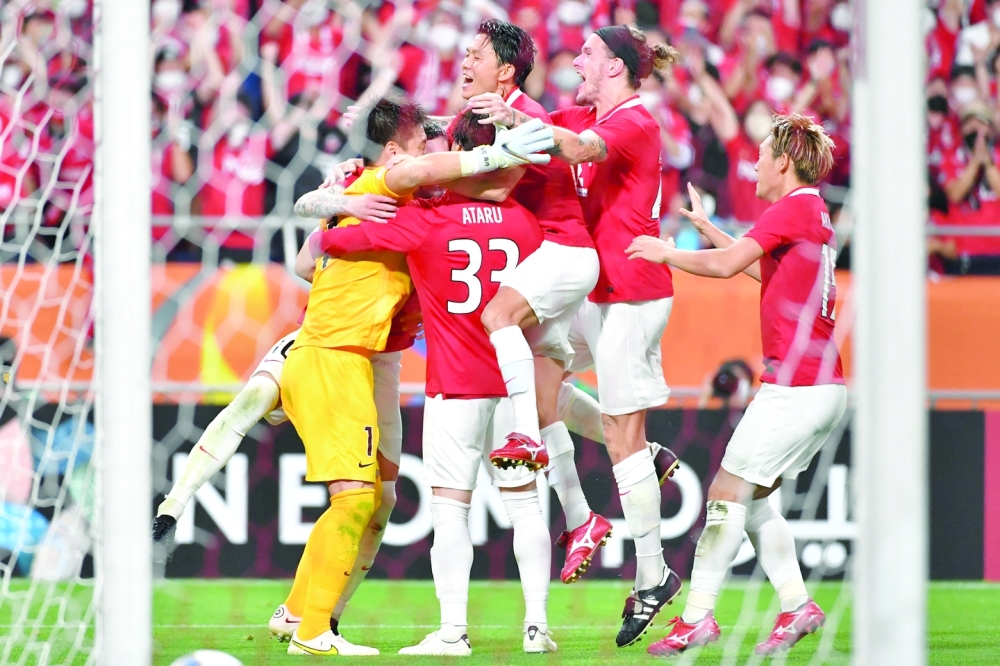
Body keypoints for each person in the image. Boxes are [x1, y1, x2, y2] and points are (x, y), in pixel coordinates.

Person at [277, 98, 553, 657]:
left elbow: (317, 252)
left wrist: (334, 209)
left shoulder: (424, 220)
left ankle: (452, 632)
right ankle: (537, 629)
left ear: (455, 152)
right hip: (512, 382)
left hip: (453, 385)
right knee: (527, 506)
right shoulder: (528, 224)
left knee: (449, 510)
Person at [469, 23, 684, 648]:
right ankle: (604, 504)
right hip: (597, 292)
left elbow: (576, 147)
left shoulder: (634, 121)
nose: (577, 60)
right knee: (538, 386)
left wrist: (513, 118)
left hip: (633, 295)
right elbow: (535, 120)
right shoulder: (584, 110)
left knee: (624, 436)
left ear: (615, 66)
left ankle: (653, 576)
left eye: (588, 53)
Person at [627, 114, 846, 656]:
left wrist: (668, 252)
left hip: (796, 386)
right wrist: (710, 231)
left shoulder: (791, 207)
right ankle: (798, 607)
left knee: (725, 494)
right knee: (753, 502)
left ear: (785, 163)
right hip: (822, 386)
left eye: (764, 154)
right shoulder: (811, 210)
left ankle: (697, 618)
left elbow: (727, 268)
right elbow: (757, 268)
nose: (755, 164)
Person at [457, 19, 617, 587]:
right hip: (548, 262)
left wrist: (433, 188)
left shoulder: (525, 114)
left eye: (475, 54)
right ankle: (583, 519)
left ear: (504, 70)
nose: (463, 61)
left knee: (495, 316)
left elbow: (499, 189)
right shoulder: (497, 113)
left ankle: (523, 436)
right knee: (549, 400)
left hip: (564, 254)